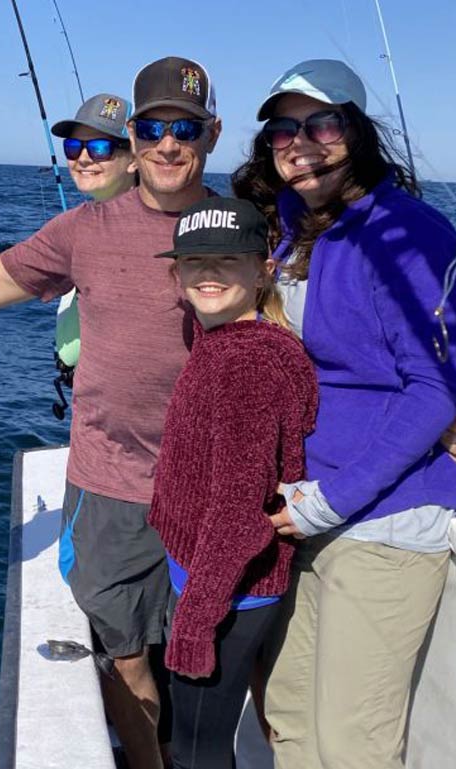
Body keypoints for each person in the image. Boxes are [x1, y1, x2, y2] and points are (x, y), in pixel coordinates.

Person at [0, 56, 223, 769]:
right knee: (126, 654)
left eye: (185, 129)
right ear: (136, 135)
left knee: (217, 654)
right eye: (153, 128)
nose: (167, 144)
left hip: (216, 486)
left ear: (211, 136)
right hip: (111, 486)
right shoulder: (82, 229)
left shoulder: (244, 227)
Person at [232, 59, 456, 769]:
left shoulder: (409, 234)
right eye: (283, 130)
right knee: (288, 717)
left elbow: (435, 389)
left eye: (322, 123)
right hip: (302, 509)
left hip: (381, 521)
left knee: (351, 744)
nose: (301, 143)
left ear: (358, 130)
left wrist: (330, 499)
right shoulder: (293, 226)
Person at [147, 197, 318, 769]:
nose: (209, 274)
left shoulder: (244, 364)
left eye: (228, 260)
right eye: (195, 261)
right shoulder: (227, 339)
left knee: (197, 749)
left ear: (263, 270)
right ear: (177, 274)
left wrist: (197, 620)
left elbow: (238, 511)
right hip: (214, 577)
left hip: (228, 591)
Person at [50, 92, 136, 398]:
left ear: (135, 157)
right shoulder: (78, 227)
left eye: (100, 148)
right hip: (86, 396)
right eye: (73, 147)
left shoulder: (139, 233)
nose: (83, 158)